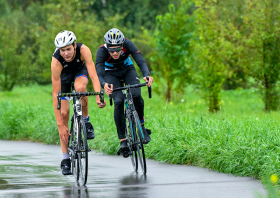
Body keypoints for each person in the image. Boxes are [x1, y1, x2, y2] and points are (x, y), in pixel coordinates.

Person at [51, 30, 105, 175]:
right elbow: (56, 94)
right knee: (64, 114)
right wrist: (61, 125)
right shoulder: (56, 61)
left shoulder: (84, 49)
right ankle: (65, 159)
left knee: (80, 88)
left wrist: (99, 95)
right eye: (62, 50)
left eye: (68, 49)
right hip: (64, 78)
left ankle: (86, 121)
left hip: (80, 72)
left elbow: (93, 75)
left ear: (74, 45)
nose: (66, 53)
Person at [95, 28, 154, 157]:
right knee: (118, 101)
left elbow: (139, 59)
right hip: (111, 73)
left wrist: (147, 75)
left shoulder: (128, 44)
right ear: (107, 47)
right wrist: (104, 84)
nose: (115, 52)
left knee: (136, 94)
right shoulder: (101, 51)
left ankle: (142, 126)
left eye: (117, 49)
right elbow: (99, 71)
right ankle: (123, 141)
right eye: (111, 50)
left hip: (127, 69)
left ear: (122, 45)